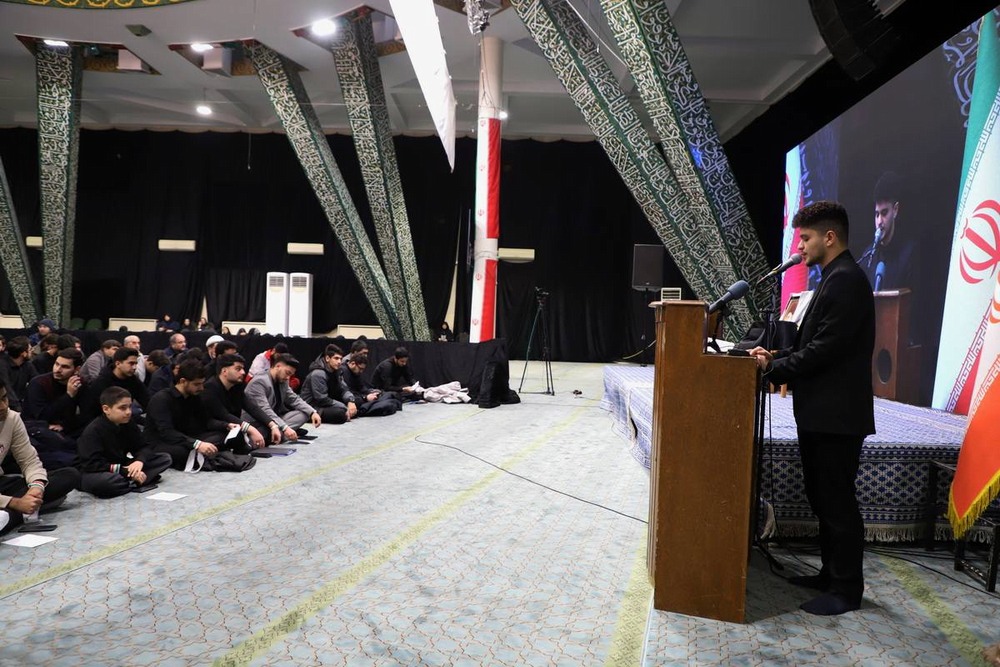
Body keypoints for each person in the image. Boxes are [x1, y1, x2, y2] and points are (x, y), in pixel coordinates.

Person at [750, 200, 875, 616]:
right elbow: (813, 343)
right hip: (823, 412)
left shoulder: (846, 281)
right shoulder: (833, 278)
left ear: (829, 237)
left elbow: (825, 351)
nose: (799, 247)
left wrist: (773, 367)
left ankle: (846, 590)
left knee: (837, 503)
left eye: (805, 238)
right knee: (823, 500)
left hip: (837, 416)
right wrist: (776, 355)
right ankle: (829, 575)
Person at [0, 385, 79, 534]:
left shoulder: (12, 418)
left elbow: (29, 461)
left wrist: (36, 487)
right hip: (9, 498)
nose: (3, 406)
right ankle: (18, 511)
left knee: (69, 475)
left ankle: (12, 513)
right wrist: (14, 502)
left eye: (4, 398)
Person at [76, 387, 172, 497]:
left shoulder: (127, 423)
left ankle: (131, 479)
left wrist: (139, 461)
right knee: (108, 481)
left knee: (164, 459)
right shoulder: (93, 431)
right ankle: (133, 479)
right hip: (97, 471)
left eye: (129, 407)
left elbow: (143, 446)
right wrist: (125, 471)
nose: (128, 412)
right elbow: (92, 465)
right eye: (122, 408)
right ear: (106, 409)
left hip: (122, 465)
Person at [144, 360, 232, 470]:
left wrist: (226, 425)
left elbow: (205, 421)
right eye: (197, 384)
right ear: (183, 381)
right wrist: (196, 444)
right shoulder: (161, 399)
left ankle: (202, 454)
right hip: (162, 442)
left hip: (186, 438)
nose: (201, 388)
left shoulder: (194, 396)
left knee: (223, 435)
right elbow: (167, 432)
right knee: (183, 452)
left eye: (202, 383)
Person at [242, 353, 321, 443]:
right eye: (287, 373)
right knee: (266, 430)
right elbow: (265, 410)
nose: (288, 377)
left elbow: (294, 399)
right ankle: (279, 434)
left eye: (291, 375)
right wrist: (285, 427)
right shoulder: (259, 382)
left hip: (275, 419)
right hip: (258, 423)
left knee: (305, 413)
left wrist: (312, 412)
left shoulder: (283, 380)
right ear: (278, 366)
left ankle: (279, 435)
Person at [860, 171, 917, 291]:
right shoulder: (868, 256)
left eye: (884, 213)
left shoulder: (909, 253)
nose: (879, 221)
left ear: (895, 210)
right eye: (877, 214)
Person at [201, 354, 265, 448]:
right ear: (224, 371)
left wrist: (273, 425)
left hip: (234, 427)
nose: (243, 372)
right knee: (231, 436)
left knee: (264, 427)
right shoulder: (210, 388)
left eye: (243, 369)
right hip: (215, 430)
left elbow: (252, 407)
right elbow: (224, 415)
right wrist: (250, 429)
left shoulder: (237, 386)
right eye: (238, 369)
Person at [81, 347, 151, 422]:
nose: (134, 367)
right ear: (118, 364)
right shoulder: (101, 383)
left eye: (135, 364)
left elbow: (147, 401)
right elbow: (90, 411)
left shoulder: (133, 380)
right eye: (131, 363)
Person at [301, 344, 353, 423]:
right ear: (327, 358)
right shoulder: (318, 373)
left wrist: (351, 401)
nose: (339, 362)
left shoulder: (337, 371)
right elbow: (322, 399)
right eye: (336, 358)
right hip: (312, 407)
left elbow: (344, 389)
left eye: (341, 359)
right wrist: (344, 407)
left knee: (355, 405)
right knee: (340, 414)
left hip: (327, 403)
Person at [0, 336, 38, 411]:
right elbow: (7, 389)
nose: (33, 351)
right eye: (30, 349)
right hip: (6, 406)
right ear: (23, 353)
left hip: (21, 404)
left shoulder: (27, 365)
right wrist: (19, 409)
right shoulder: (2, 365)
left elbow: (37, 381)